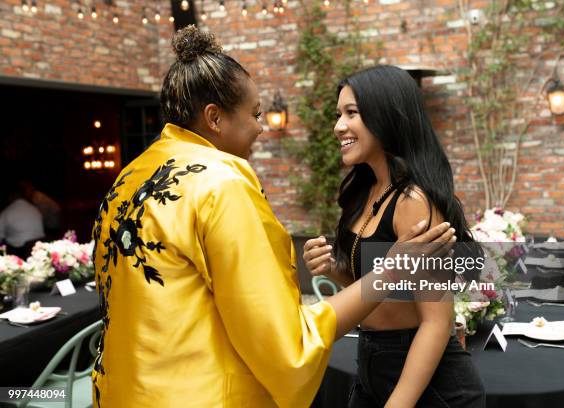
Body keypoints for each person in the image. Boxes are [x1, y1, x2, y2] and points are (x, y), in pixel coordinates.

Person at [91, 26, 454, 408]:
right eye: (255, 114)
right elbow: (285, 343)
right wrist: (386, 272)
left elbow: (435, 314)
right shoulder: (220, 183)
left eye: (351, 113)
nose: (261, 128)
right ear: (214, 118)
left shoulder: (129, 177)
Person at [303, 65, 485, 407]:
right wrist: (332, 268)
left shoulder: (413, 202)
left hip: (427, 383)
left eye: (351, 113)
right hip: (372, 364)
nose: (338, 125)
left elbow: (436, 322)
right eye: (338, 114)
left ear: (386, 116)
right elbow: (381, 288)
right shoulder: (366, 192)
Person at [0, 183, 45, 259]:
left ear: (11, 197)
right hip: (39, 249)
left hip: (20, 253)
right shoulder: (35, 208)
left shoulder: (6, 212)